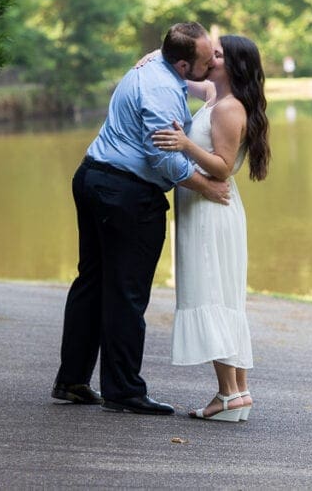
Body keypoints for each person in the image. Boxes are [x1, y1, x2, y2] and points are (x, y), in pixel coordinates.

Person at [52, 22, 231, 416]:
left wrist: (211, 82)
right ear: (183, 64)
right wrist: (208, 187)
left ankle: (72, 380)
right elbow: (163, 157)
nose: (210, 65)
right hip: (126, 195)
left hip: (93, 177)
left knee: (92, 283)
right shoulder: (165, 90)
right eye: (205, 61)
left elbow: (197, 85)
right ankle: (124, 391)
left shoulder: (155, 67)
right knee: (126, 294)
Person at [151, 34, 270, 422]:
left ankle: (228, 392)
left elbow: (221, 164)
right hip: (211, 206)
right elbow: (184, 75)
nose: (209, 58)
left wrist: (185, 143)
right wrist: (155, 57)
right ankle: (238, 394)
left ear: (233, 65)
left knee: (214, 294)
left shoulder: (228, 109)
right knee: (224, 297)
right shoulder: (215, 97)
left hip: (210, 208)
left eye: (217, 55)